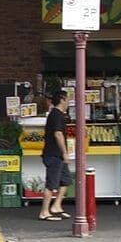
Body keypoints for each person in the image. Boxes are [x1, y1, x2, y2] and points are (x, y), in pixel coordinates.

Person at [38, 89, 72, 221]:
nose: (68, 102)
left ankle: (56, 206)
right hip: (54, 154)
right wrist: (65, 152)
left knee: (66, 180)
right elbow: (58, 134)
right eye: (67, 99)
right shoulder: (56, 115)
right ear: (62, 100)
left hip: (58, 155)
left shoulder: (58, 115)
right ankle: (44, 212)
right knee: (51, 183)